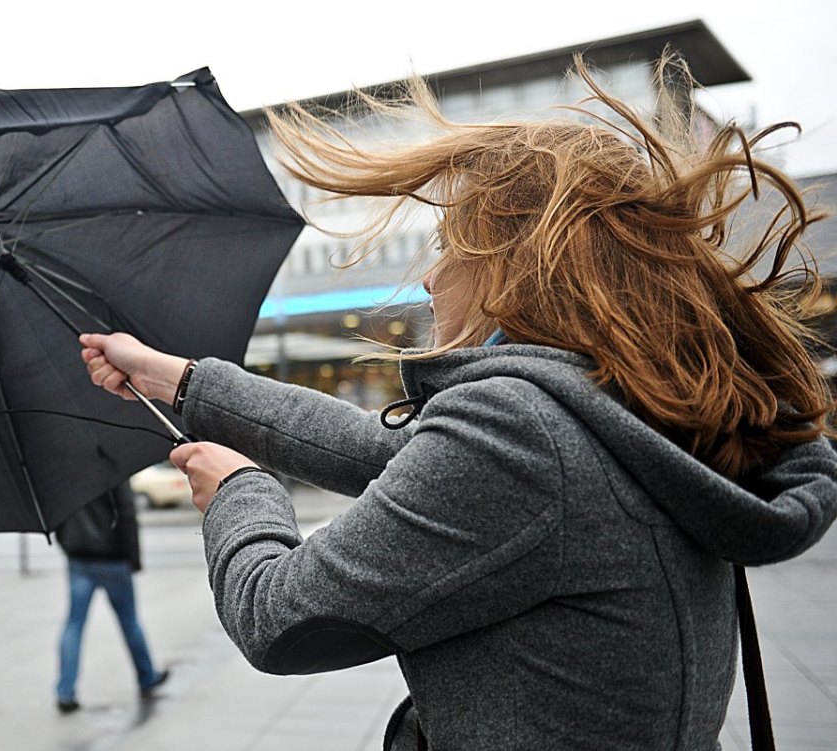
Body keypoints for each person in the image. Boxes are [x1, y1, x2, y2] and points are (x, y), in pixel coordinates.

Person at [79, 55, 837, 749]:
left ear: (518, 264)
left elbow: (280, 618)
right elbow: (378, 450)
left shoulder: (524, 433)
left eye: (451, 243)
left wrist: (240, 495)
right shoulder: (625, 404)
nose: (433, 276)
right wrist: (174, 377)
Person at [53, 481, 169, 713]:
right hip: (112, 557)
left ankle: (65, 692)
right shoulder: (110, 461)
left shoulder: (65, 467)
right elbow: (126, 512)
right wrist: (133, 558)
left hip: (79, 557)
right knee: (129, 621)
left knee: (74, 624)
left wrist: (67, 544)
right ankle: (147, 677)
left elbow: (55, 513)